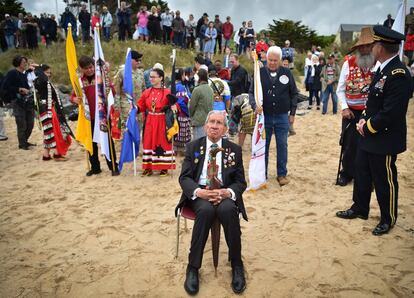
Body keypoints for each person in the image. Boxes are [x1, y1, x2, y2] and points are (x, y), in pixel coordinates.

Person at [336, 25, 413, 236]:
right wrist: (363, 123)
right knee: (361, 172)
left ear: (380, 47)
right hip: (368, 134)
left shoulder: (398, 74)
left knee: (383, 179)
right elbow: (374, 104)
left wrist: (366, 126)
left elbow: (391, 113)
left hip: (384, 138)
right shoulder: (382, 69)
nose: (371, 48)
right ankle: (360, 208)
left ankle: (388, 218)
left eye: (374, 45)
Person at [176, 110, 248, 295]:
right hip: (201, 194)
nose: (215, 126)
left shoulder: (234, 150)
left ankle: (237, 264)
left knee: (228, 211)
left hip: (224, 194)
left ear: (225, 128)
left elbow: (240, 182)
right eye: (212, 122)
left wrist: (228, 192)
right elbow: (184, 178)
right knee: (206, 211)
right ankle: (193, 268)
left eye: (219, 123)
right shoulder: (193, 147)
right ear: (206, 125)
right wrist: (199, 192)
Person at [249, 46, 298, 186]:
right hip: (265, 117)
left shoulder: (287, 73)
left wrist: (292, 113)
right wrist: (254, 105)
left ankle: (281, 174)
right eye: (270, 60)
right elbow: (251, 92)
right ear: (266, 59)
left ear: (280, 60)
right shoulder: (259, 73)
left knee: (282, 145)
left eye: (275, 60)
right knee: (264, 145)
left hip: (283, 116)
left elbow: (294, 93)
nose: (272, 63)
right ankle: (262, 174)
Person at [336, 27, 376, 186]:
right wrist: (345, 108)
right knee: (349, 144)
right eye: (362, 47)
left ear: (373, 47)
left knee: (370, 145)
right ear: (358, 48)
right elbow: (340, 89)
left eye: (368, 46)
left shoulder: (378, 64)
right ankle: (347, 173)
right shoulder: (349, 63)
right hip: (351, 112)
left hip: (371, 113)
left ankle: (368, 175)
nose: (365, 49)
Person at [71, 56, 119, 176]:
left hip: (102, 115)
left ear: (94, 65)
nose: (90, 70)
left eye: (91, 67)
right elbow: (72, 96)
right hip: (88, 118)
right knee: (90, 143)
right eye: (87, 68)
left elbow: (112, 92)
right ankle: (95, 167)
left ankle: (113, 166)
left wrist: (108, 85)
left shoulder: (102, 78)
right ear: (82, 69)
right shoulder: (80, 81)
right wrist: (74, 99)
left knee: (107, 142)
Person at [137, 67, 177, 177]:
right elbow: (141, 105)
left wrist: (174, 107)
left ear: (161, 78)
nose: (151, 79)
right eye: (150, 77)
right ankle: (148, 167)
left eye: (154, 77)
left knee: (162, 141)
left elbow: (174, 105)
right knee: (148, 141)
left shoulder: (167, 92)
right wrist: (135, 108)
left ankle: (164, 167)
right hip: (150, 120)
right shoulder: (147, 92)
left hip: (162, 120)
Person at [34, 64, 72, 161]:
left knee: (49, 131)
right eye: (47, 72)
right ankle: (56, 153)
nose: (49, 75)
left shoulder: (43, 81)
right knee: (52, 131)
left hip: (49, 108)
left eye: (50, 73)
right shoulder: (40, 81)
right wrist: (39, 67)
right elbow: (43, 78)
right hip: (46, 109)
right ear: (41, 73)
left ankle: (46, 155)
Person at [1, 56, 35, 150]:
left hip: (27, 101)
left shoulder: (24, 74)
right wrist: (19, 89)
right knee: (21, 124)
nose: (26, 64)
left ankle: (25, 141)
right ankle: (22, 144)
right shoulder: (12, 73)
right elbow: (5, 87)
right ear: (19, 63)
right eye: (24, 62)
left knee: (30, 123)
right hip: (17, 101)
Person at [113, 50, 145, 130]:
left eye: (140, 60)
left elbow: (144, 89)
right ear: (130, 60)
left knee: (138, 131)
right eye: (137, 60)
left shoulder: (141, 73)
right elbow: (116, 91)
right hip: (126, 108)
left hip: (139, 107)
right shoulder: (122, 72)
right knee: (127, 131)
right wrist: (117, 108)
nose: (139, 62)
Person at [189, 69, 213, 140]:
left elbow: (191, 107)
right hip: (208, 120)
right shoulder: (210, 89)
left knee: (198, 144)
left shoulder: (197, 90)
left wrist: (191, 116)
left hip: (198, 121)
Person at [173, 68, 192, 155]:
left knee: (176, 131)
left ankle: (176, 149)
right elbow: (181, 102)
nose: (185, 76)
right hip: (181, 113)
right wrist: (187, 112)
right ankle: (180, 151)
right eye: (184, 74)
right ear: (181, 76)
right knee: (181, 131)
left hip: (174, 113)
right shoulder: (180, 87)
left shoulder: (173, 85)